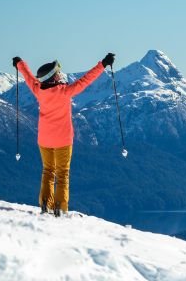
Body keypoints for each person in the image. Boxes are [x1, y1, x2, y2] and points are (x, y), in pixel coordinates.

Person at [12, 53, 115, 216]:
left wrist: (19, 63)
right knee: (62, 173)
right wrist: (102, 64)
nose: (60, 74)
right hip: (63, 140)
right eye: (58, 72)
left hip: (44, 140)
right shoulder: (65, 91)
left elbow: (28, 76)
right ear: (53, 77)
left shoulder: (39, 91)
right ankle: (60, 209)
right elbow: (86, 80)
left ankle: (45, 204)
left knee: (48, 171)